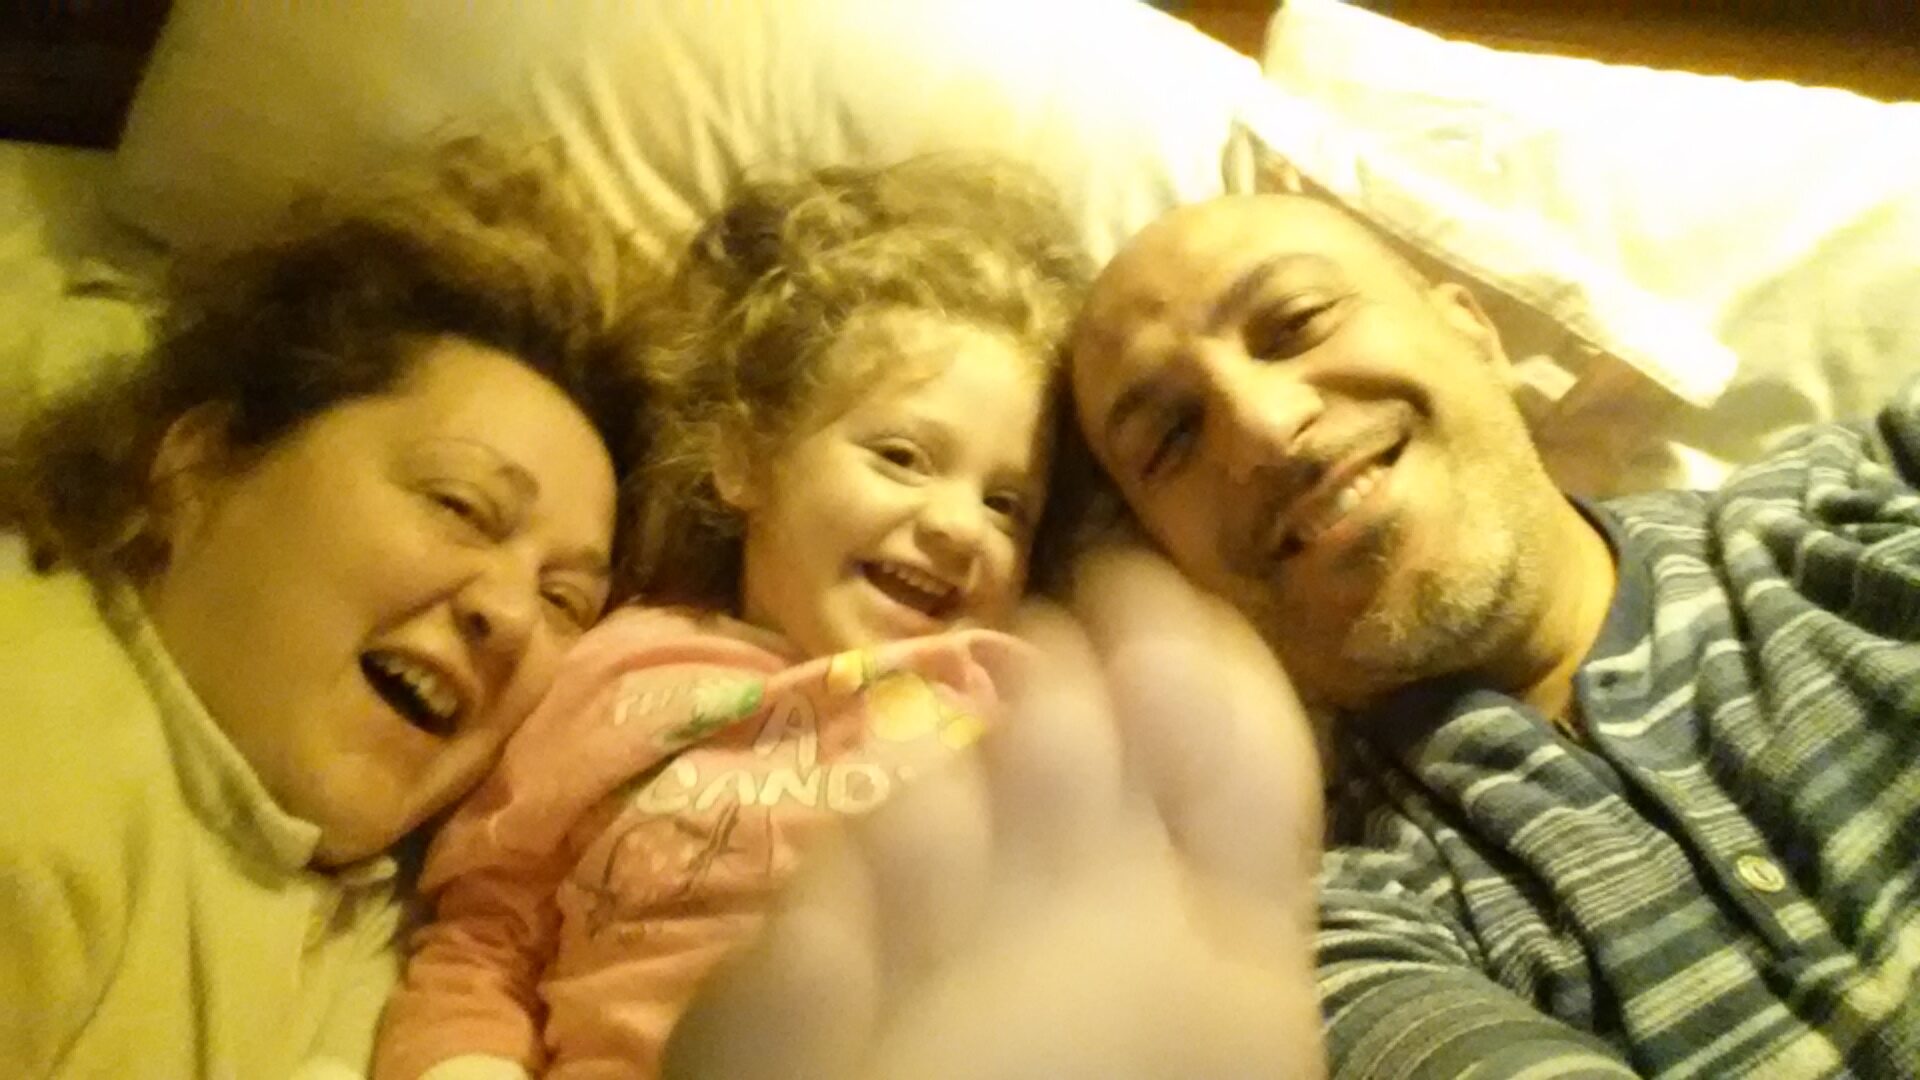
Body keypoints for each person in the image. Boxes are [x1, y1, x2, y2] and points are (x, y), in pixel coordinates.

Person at [662, 191, 1920, 1079]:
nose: (1264, 427)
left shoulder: (1864, 499)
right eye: (1170, 437)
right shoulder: (1314, 921)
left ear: (1471, 330)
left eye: (1299, 322)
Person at [372, 157, 1093, 1080]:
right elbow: (483, 938)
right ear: (747, 459)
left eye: (1006, 505)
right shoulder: (615, 669)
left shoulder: (1010, 691)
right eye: (902, 457)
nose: (958, 525)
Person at [0, 139, 656, 1079]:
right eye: (461, 505)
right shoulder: (39, 763)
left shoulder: (425, 924)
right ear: (196, 466)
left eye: (566, 600)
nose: (512, 615)